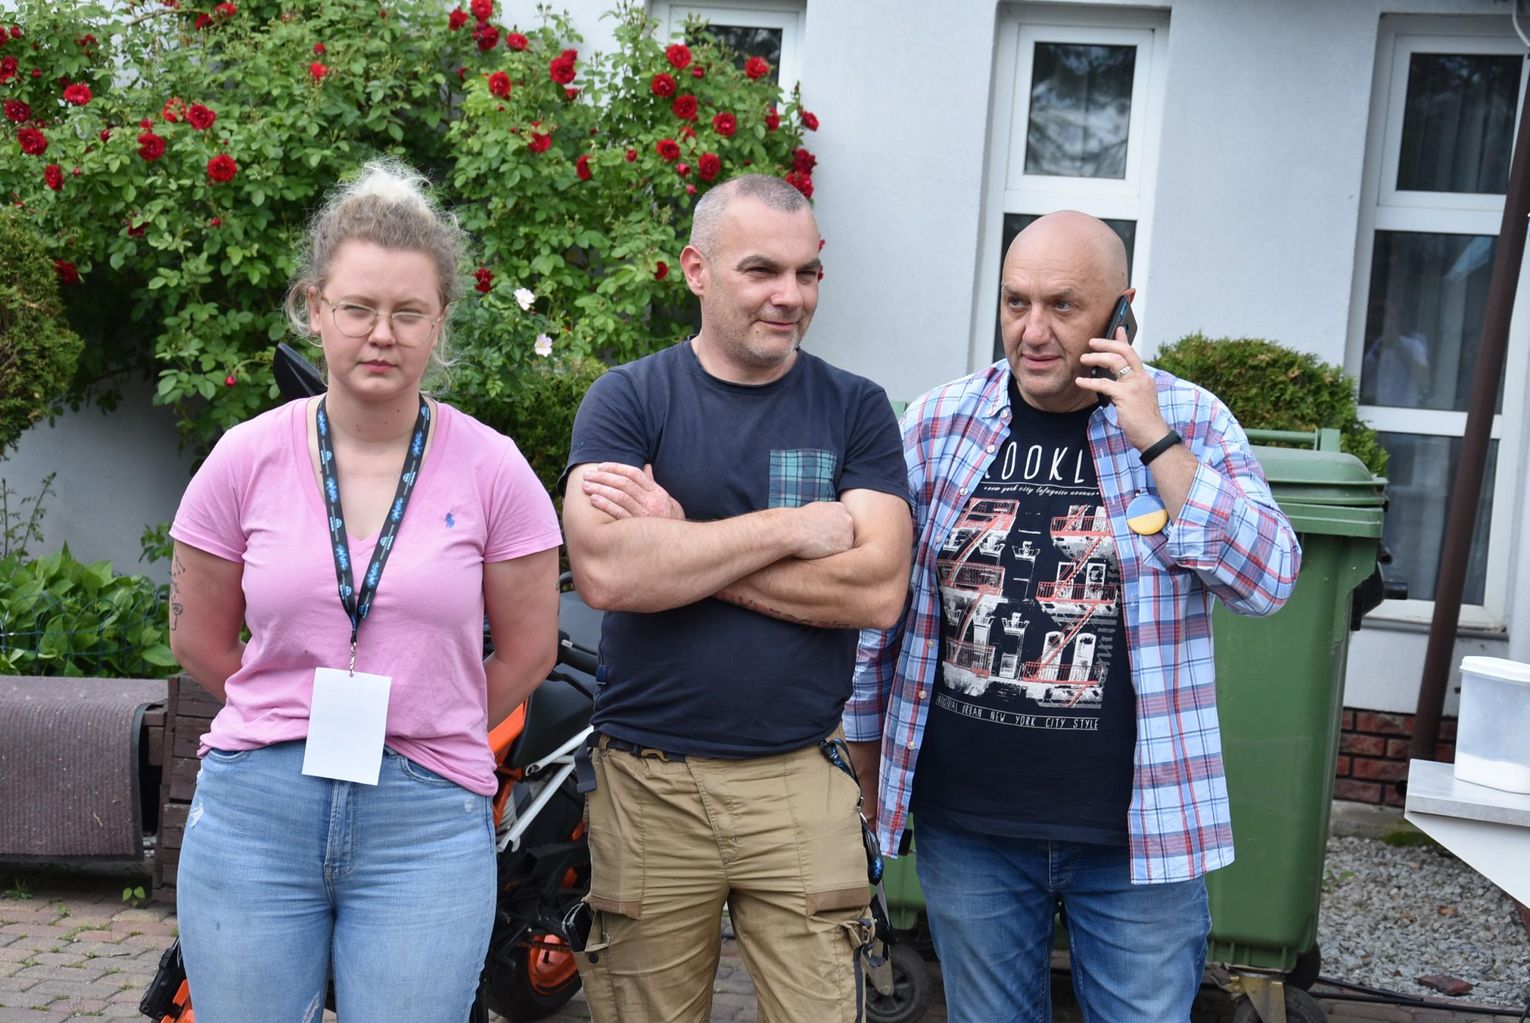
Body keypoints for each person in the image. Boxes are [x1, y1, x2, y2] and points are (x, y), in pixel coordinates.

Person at [851, 211, 1302, 1021]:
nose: (1032, 331)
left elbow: (1268, 581)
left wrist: (1154, 439)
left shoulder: (1191, 420)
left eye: (1062, 305)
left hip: (1139, 834)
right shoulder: (939, 421)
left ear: (1121, 311)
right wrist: (863, 767)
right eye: (1015, 302)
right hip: (971, 827)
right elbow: (876, 615)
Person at [167, 160, 562, 1022]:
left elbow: (531, 650)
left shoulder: (494, 470)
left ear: (439, 320)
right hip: (257, 815)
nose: (381, 334)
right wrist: (281, 710)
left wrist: (430, 714)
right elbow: (197, 637)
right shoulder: (243, 459)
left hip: (425, 822)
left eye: (408, 312)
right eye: (357, 308)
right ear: (314, 308)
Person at [559, 173, 913, 1022]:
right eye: (762, 270)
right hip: (649, 786)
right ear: (697, 270)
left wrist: (682, 538)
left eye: (807, 273)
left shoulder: (855, 408)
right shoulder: (629, 399)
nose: (790, 295)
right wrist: (791, 529)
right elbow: (609, 572)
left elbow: (876, 589)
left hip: (800, 777)